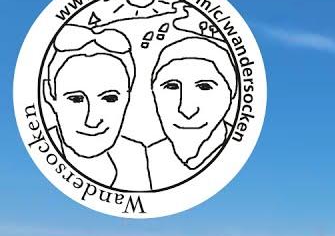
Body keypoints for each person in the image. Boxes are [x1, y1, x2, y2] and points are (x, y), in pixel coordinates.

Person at [42, 24, 150, 190]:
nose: (92, 120)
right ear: (50, 94)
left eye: (109, 98)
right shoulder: (38, 154)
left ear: (128, 95)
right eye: (76, 99)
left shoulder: (135, 155)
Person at [146, 35, 237, 189]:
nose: (187, 110)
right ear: (154, 93)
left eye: (205, 87)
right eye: (171, 86)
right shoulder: (144, 159)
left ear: (230, 95)